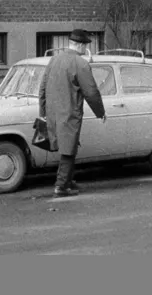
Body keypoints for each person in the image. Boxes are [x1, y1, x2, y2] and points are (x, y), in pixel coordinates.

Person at [39, 28, 106, 198]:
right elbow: (91, 91)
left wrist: (43, 113)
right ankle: (61, 186)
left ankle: (67, 180)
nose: (86, 49)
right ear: (80, 45)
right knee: (69, 149)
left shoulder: (54, 59)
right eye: (85, 45)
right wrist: (100, 112)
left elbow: (42, 88)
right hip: (70, 113)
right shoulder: (80, 63)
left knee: (69, 147)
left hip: (53, 113)